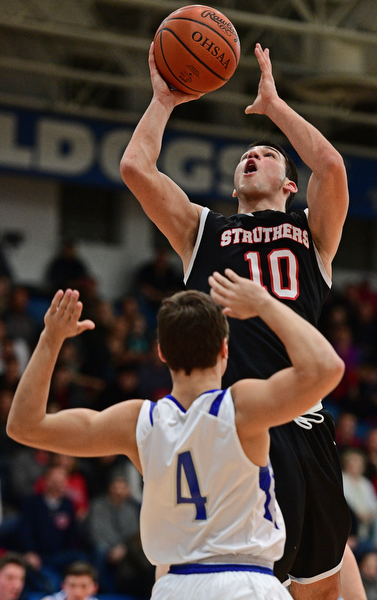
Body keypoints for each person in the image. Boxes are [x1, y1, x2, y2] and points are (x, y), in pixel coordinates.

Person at [119, 40, 364, 600]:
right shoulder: (203, 231)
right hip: (243, 425)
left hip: (310, 425)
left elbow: (330, 164)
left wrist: (274, 106)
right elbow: (136, 167)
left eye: (268, 155)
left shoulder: (313, 235)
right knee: (249, 584)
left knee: (321, 590)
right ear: (233, 186)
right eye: (246, 156)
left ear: (289, 185)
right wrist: (163, 100)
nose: (254, 155)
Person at [6, 282, 344, 600]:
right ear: (225, 350)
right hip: (245, 583)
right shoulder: (241, 408)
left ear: (162, 353)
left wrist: (51, 338)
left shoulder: (137, 421)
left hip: (176, 586)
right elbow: (326, 368)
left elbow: (24, 426)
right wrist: (265, 303)